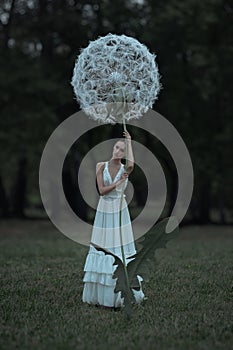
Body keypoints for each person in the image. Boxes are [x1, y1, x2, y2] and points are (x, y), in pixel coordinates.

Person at [82, 130, 145, 308]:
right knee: (104, 245)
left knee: (120, 245)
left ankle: (123, 293)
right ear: (113, 148)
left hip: (119, 209)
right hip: (104, 208)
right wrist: (118, 183)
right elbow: (101, 190)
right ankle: (101, 295)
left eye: (122, 150)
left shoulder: (126, 168)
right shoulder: (100, 165)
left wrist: (129, 141)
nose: (118, 151)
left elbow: (132, 163)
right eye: (117, 148)